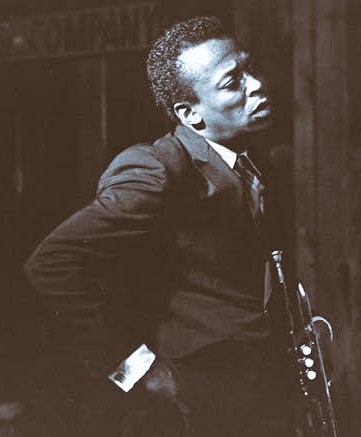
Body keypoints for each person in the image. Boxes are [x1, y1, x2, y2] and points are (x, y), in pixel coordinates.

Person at [23, 16, 294, 437]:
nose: (257, 85)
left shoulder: (251, 157)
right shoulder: (156, 169)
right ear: (190, 115)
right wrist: (138, 369)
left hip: (253, 389)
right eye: (232, 83)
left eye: (251, 68)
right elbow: (51, 263)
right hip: (190, 402)